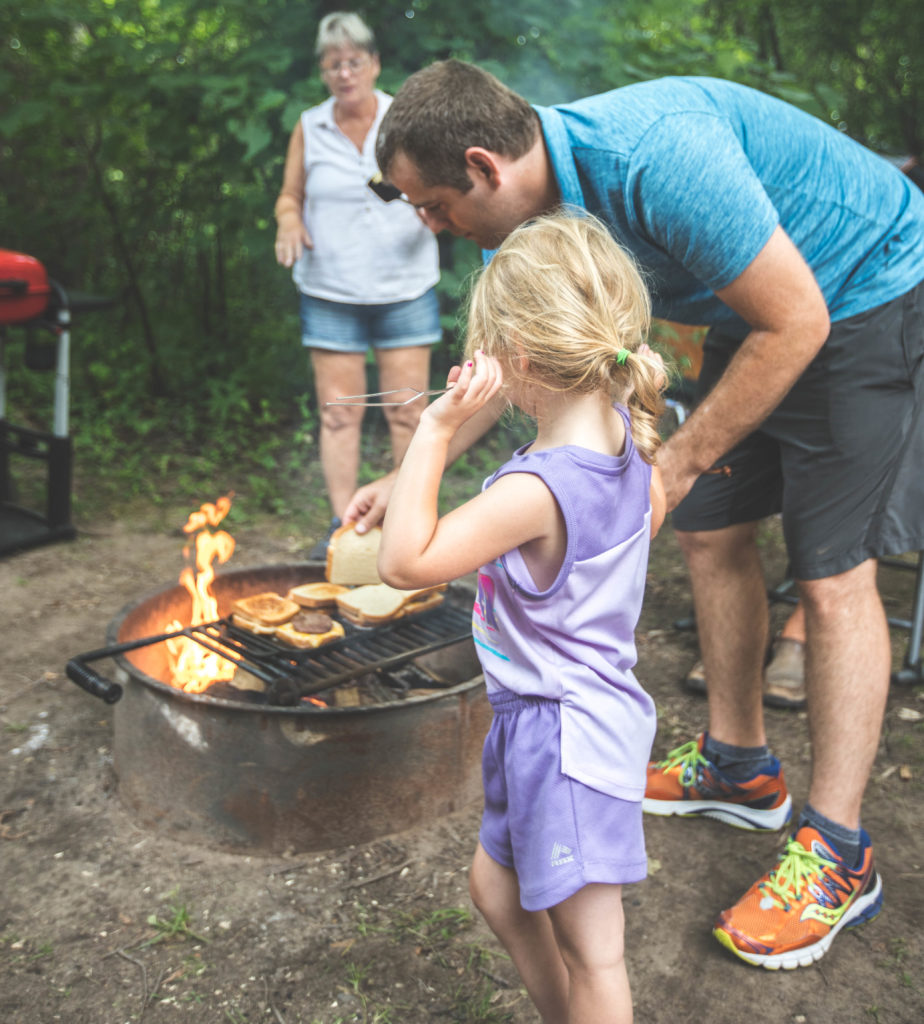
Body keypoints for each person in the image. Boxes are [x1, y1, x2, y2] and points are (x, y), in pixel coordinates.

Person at [346, 59, 924, 970]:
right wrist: (410, 469)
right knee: (709, 532)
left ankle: (838, 851)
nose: (431, 226)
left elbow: (798, 319)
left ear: (482, 165)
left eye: (432, 204)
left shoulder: (655, 160)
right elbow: (510, 360)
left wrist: (680, 462)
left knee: (832, 570)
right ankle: (740, 766)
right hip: (772, 298)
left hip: (858, 290)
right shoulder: (525, 230)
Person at [378, 212, 667, 1023]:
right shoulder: (625, 437)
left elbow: (404, 562)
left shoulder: (533, 491)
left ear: (522, 359)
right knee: (495, 891)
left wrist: (434, 430)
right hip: (540, 721)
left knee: (595, 953)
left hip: (566, 737)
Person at [273, 12, 440, 557]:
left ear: (374, 64)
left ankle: (404, 520)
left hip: (405, 288)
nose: (344, 73)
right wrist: (289, 220)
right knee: (340, 413)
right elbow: (289, 195)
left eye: (354, 62)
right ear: (323, 72)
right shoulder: (310, 125)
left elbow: (430, 190)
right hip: (331, 293)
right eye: (333, 65)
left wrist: (430, 209)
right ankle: (343, 527)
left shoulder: (403, 118)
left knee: (408, 411)